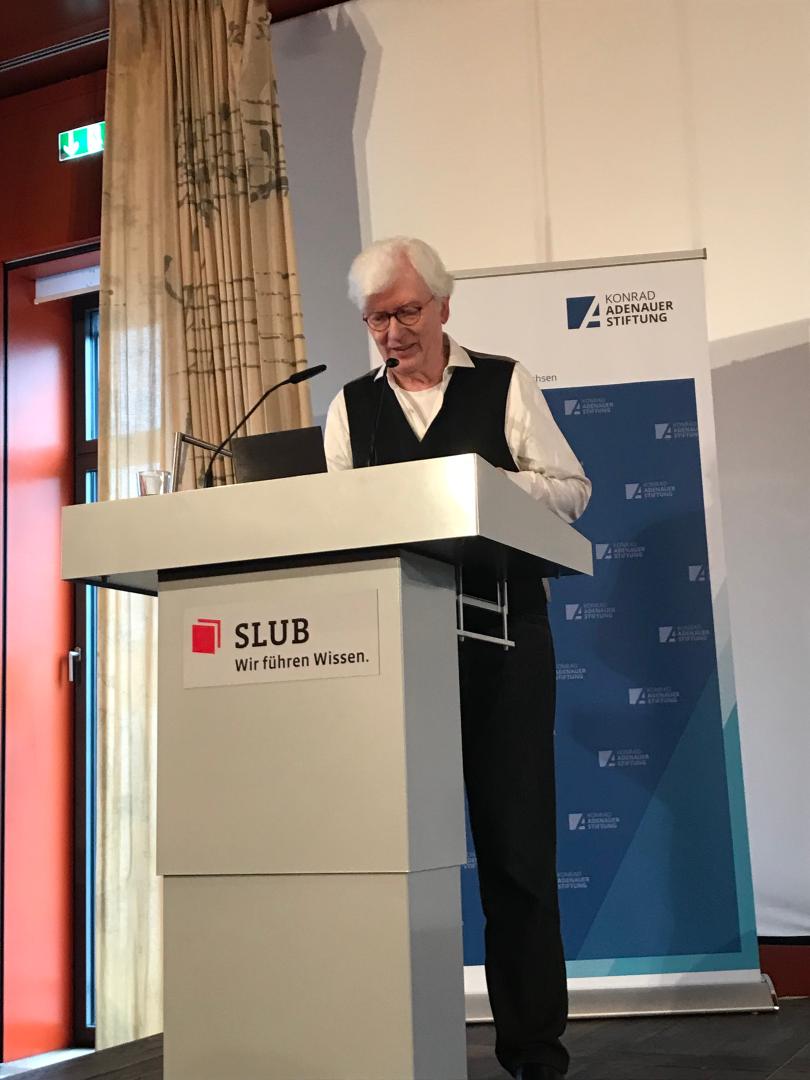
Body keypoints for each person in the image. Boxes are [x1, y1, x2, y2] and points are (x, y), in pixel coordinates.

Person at [324, 237, 591, 1080]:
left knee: (517, 857)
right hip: (393, 662)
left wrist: (484, 483)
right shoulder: (349, 409)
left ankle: (535, 1050)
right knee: (396, 863)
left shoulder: (503, 383)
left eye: (406, 312)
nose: (392, 333)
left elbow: (572, 489)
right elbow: (336, 526)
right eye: (376, 320)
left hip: (506, 650)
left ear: (443, 305)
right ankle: (397, 1044)